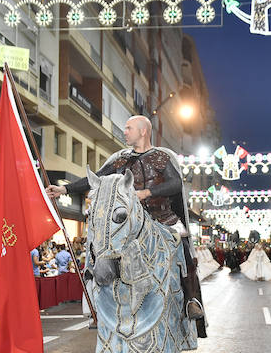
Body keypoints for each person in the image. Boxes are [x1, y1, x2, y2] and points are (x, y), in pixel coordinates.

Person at [47, 115, 206, 331]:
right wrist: (65, 189)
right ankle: (99, 299)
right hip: (130, 221)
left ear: (143, 131)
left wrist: (147, 192)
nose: (125, 132)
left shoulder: (161, 158)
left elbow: (176, 184)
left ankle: (190, 300)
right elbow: (97, 178)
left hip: (162, 217)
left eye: (129, 128)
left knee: (184, 249)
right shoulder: (120, 161)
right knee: (103, 244)